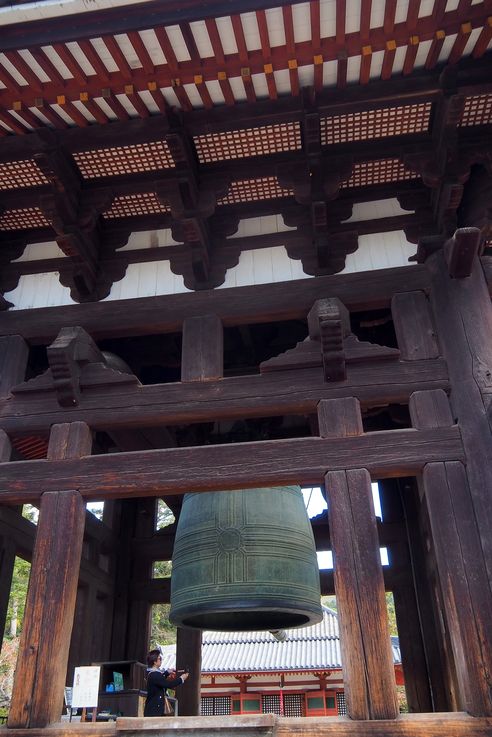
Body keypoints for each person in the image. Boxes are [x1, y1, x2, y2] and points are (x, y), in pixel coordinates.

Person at [143, 649, 189, 717]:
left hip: (153, 708)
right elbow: (168, 684)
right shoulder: (155, 674)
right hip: (155, 710)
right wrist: (181, 679)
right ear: (154, 662)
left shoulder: (152, 673)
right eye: (159, 658)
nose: (161, 660)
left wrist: (167, 672)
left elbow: (160, 680)